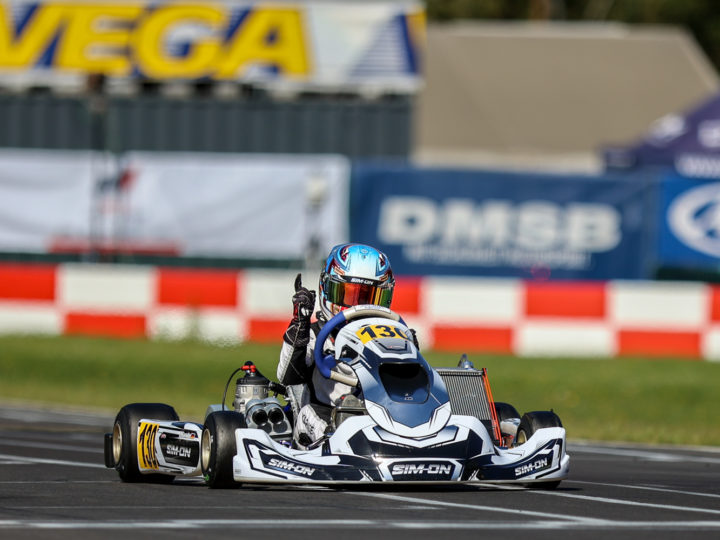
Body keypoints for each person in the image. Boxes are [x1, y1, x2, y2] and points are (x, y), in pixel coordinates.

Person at [277, 243, 396, 449]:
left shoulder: (391, 337)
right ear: (328, 288)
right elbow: (288, 377)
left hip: (379, 419)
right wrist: (299, 328)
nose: (359, 306)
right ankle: (334, 444)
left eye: (369, 297)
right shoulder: (315, 334)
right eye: (350, 295)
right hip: (325, 418)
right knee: (310, 415)